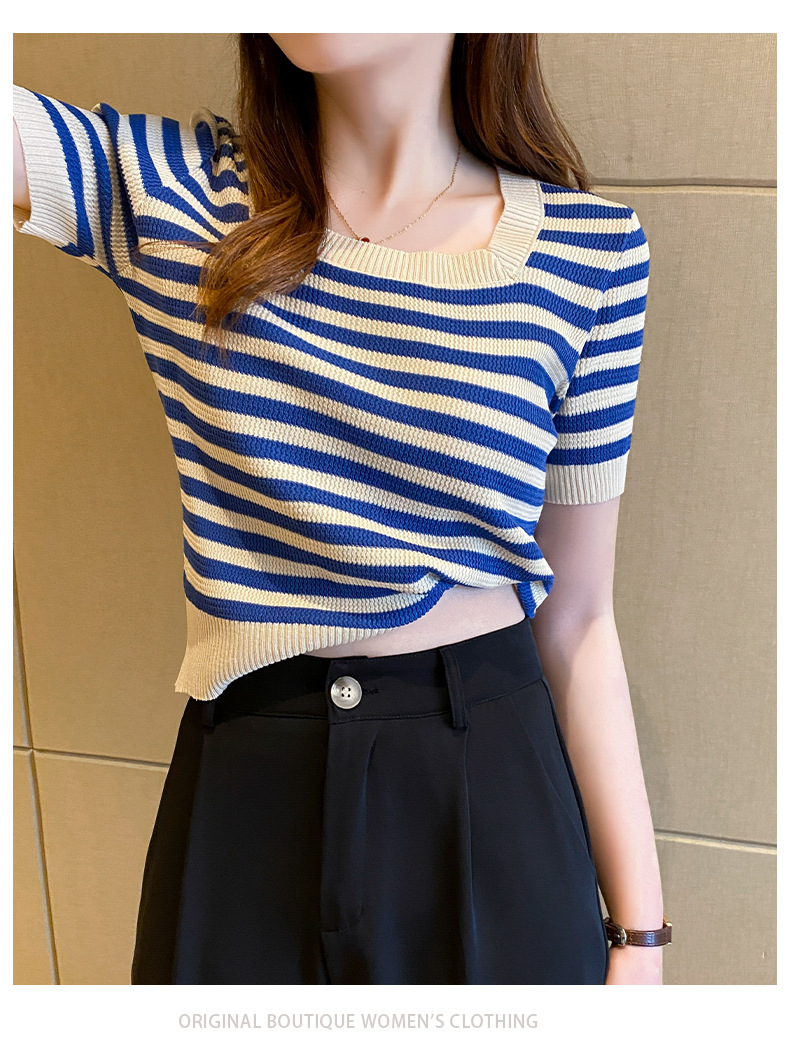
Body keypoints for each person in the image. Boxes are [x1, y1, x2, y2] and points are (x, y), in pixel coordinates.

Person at [12, 32, 670, 985]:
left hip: (487, 787)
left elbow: (578, 618)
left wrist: (640, 937)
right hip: (244, 788)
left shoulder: (589, 252)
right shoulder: (165, 190)